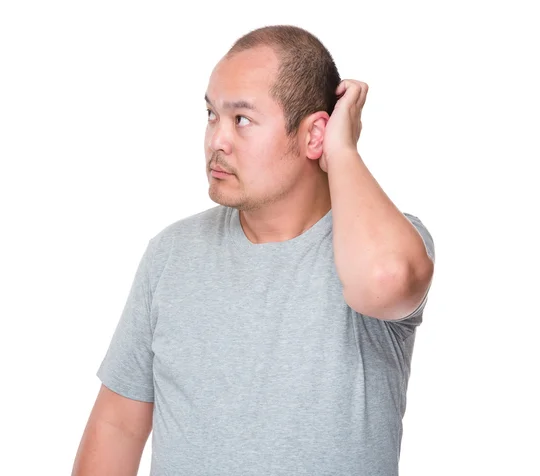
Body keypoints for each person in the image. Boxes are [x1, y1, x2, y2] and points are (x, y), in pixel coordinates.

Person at [72, 24, 435, 476]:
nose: (216, 141)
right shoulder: (171, 255)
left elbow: (385, 281)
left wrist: (341, 149)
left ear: (313, 135)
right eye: (211, 115)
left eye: (241, 119)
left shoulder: (383, 243)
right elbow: (117, 426)